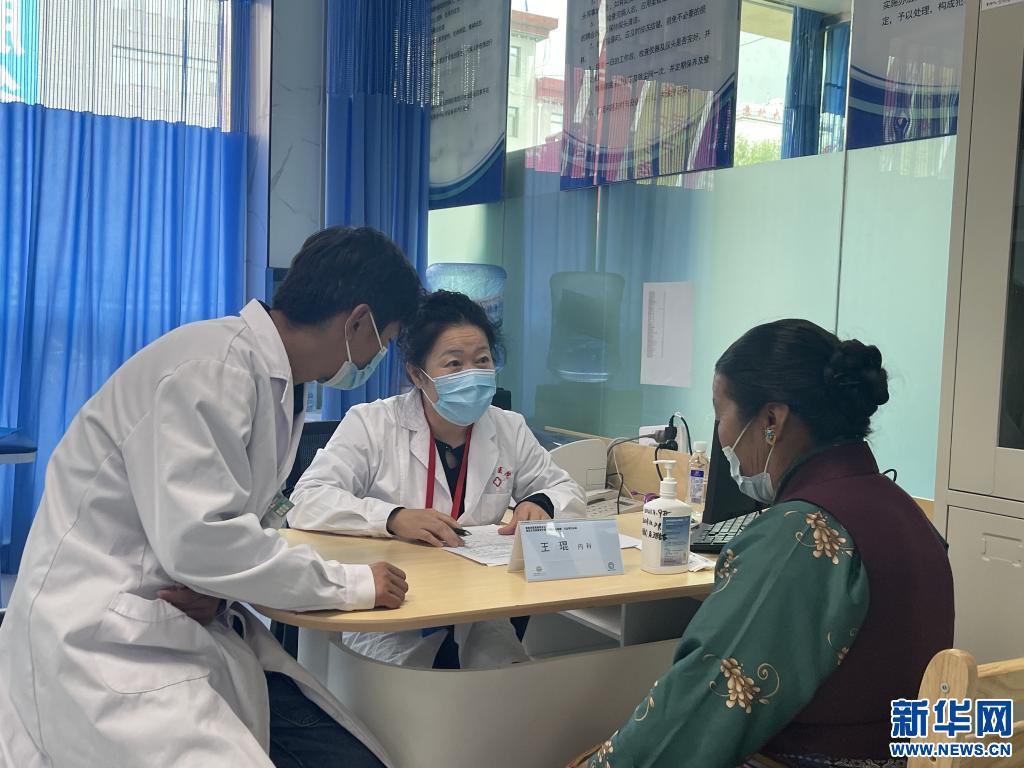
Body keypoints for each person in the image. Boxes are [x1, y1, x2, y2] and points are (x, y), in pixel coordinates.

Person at [0, 226, 421, 768]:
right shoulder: (211, 369)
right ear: (357, 321)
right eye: (383, 341)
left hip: (182, 616)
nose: (376, 358)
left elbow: (221, 533)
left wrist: (217, 593)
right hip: (102, 636)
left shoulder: (274, 381)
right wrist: (353, 583)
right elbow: (202, 541)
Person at [570, 319, 954, 768]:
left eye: (721, 416)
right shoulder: (906, 512)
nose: (721, 435)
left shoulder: (801, 535)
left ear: (772, 420)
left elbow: (698, 709)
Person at [288, 290, 585, 668]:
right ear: (417, 374)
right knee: (405, 695)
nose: (472, 374)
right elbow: (306, 499)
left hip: (480, 608)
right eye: (454, 363)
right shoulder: (372, 424)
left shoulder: (507, 427)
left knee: (508, 689)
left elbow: (566, 490)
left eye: (482, 360)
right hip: (395, 612)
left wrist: (541, 503)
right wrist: (392, 518)